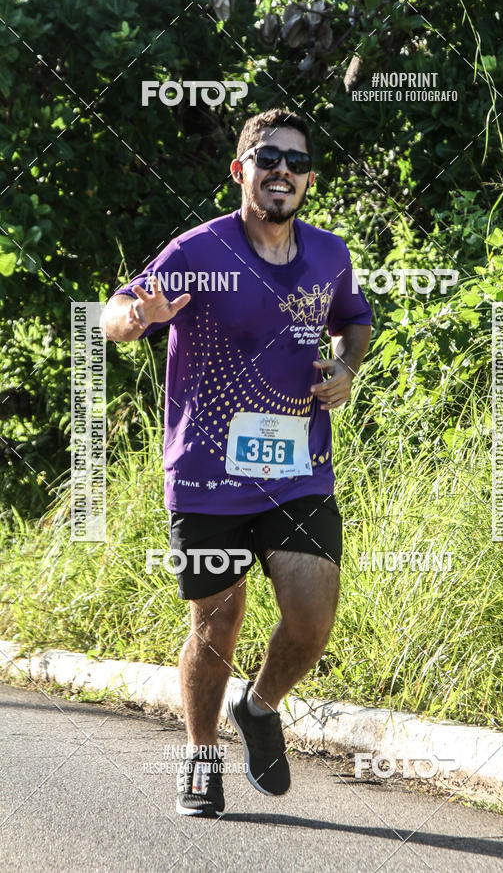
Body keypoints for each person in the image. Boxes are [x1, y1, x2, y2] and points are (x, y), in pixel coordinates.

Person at [101, 108, 372, 817]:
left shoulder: (330, 255)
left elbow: (356, 319)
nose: (282, 169)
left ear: (309, 178)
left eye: (296, 161)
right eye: (268, 157)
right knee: (216, 628)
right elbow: (118, 311)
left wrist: (345, 367)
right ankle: (199, 755)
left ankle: (259, 706)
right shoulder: (198, 250)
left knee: (311, 621)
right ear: (241, 171)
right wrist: (137, 319)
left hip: (297, 472)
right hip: (207, 478)